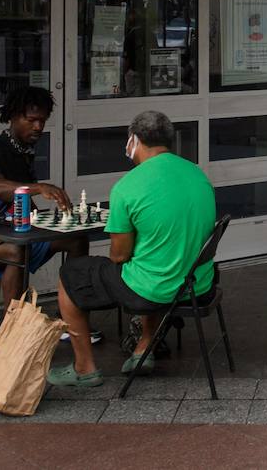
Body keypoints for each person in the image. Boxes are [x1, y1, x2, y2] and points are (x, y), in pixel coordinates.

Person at [48, 111, 217, 387]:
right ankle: (143, 348)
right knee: (156, 262)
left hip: (155, 291)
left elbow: (119, 255)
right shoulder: (197, 174)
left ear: (134, 140)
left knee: (70, 275)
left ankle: (84, 368)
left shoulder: (127, 187)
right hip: (197, 286)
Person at [0, 86, 87, 308]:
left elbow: (21, 201)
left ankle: (72, 316)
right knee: (17, 250)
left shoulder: (24, 151)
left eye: (42, 121)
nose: (38, 127)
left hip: (15, 233)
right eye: (32, 120)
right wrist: (39, 187)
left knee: (77, 239)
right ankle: (15, 328)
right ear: (14, 117)